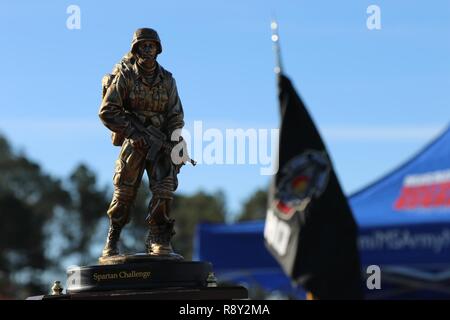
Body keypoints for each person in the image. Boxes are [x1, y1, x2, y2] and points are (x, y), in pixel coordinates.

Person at [98, 28, 185, 260]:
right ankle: (113, 237)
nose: (147, 50)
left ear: (158, 50)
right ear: (136, 49)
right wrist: (131, 132)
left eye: (151, 46)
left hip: (160, 140)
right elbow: (107, 111)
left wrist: (175, 141)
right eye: (143, 45)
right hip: (134, 140)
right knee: (124, 192)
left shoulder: (167, 80)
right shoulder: (125, 76)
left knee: (164, 188)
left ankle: (159, 237)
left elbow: (175, 115)